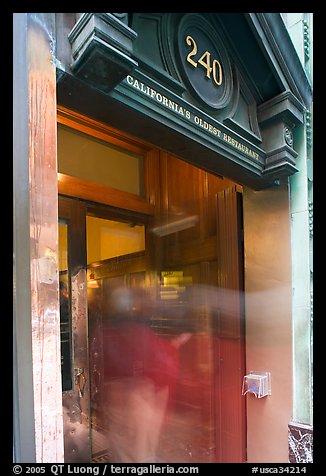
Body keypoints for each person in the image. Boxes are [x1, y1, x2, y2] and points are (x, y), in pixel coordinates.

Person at [100, 285, 192, 463]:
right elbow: (156, 358)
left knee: (120, 440)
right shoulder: (139, 330)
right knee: (142, 442)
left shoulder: (103, 330)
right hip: (139, 389)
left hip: (115, 390)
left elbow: (99, 360)